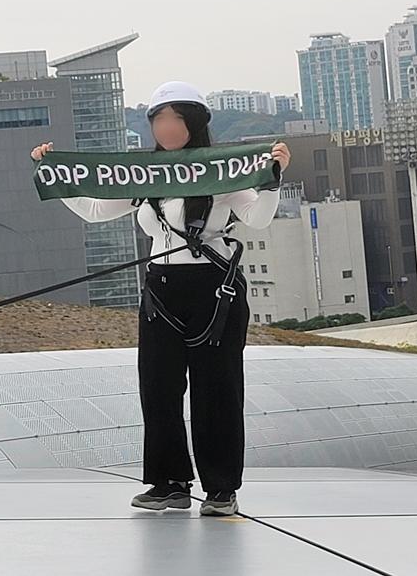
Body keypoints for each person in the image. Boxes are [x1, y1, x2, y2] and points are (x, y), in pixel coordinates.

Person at [31, 81, 291, 517]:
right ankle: (169, 482)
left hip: (214, 288)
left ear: (194, 124)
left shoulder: (221, 171)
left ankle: (221, 488)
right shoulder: (147, 175)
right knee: (158, 387)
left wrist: (271, 180)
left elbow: (258, 219)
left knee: (217, 389)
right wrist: (54, 174)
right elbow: (97, 210)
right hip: (161, 290)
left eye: (175, 119)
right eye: (159, 120)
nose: (166, 128)